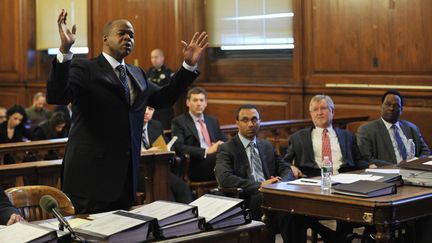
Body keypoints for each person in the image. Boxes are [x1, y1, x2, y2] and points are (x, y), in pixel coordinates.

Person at [46, 10, 208, 213]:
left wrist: (188, 66)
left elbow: (164, 98)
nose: (127, 38)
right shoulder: (85, 68)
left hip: (125, 177)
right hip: (90, 177)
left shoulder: (136, 73)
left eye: (131, 35)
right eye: (121, 33)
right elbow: (57, 96)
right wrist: (65, 51)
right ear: (105, 38)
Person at [285, 94, 367, 178]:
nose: (319, 113)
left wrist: (371, 167)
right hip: (313, 181)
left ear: (332, 112)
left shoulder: (347, 136)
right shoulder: (298, 138)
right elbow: (285, 162)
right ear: (311, 114)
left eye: (323, 108)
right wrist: (292, 167)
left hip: (344, 179)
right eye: (315, 110)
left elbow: (358, 161)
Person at [357, 89, 430, 167]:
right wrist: (397, 166)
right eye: (388, 104)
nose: (391, 108)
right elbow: (366, 159)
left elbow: (426, 152)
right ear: (381, 107)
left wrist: (415, 163)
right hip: (387, 173)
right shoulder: (367, 130)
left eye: (396, 106)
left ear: (401, 110)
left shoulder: (411, 128)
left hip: (414, 172)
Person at [171, 87, 226, 182]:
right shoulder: (179, 122)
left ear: (206, 103)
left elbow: (224, 139)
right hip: (195, 165)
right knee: (221, 157)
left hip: (215, 161)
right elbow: (179, 146)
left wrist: (221, 144)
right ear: (188, 103)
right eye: (195, 100)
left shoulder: (212, 121)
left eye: (201, 100)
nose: (199, 103)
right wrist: (206, 151)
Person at [140, 106, 193, 203]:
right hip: (139, 171)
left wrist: (166, 150)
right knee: (165, 191)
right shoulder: (129, 126)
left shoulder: (156, 125)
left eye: (151, 109)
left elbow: (168, 145)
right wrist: (146, 152)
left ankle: (189, 216)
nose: (147, 112)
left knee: (182, 187)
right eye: (144, 108)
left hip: (158, 169)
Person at [147, 48, 175, 129]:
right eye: (152, 57)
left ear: (162, 58)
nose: (154, 60)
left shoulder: (168, 73)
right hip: (151, 108)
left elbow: (170, 91)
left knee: (162, 131)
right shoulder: (149, 72)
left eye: (156, 57)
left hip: (163, 109)